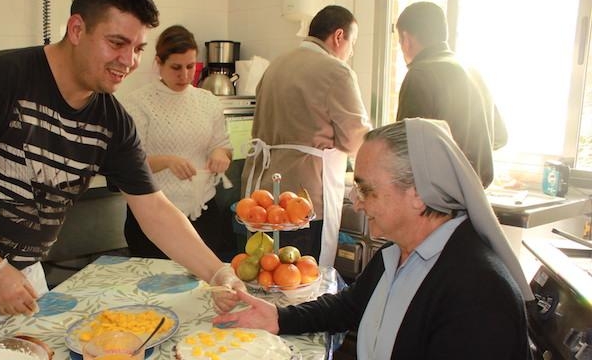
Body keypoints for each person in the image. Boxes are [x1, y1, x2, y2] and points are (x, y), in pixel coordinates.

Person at [0, 0, 245, 349]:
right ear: (76, 29)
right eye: (117, 43)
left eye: (137, 48)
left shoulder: (111, 119)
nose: (128, 60)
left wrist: (217, 272)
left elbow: (154, 209)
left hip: (22, 268)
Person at [215, 118, 534, 360]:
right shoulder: (396, 254)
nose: (357, 202)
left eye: (367, 189)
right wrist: (279, 317)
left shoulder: (479, 293)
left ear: (419, 195)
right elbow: (347, 307)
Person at [241, 5, 371, 266]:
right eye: (352, 42)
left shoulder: (276, 66)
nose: (351, 52)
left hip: (264, 193)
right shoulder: (336, 72)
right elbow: (356, 140)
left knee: (268, 271)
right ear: (337, 36)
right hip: (306, 193)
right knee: (302, 278)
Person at [117, 25, 235, 260]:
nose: (184, 75)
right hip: (153, 216)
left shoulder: (207, 101)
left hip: (202, 212)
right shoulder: (139, 103)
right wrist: (166, 161)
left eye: (191, 66)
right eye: (176, 67)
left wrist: (221, 154)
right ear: (159, 63)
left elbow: (221, 144)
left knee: (205, 287)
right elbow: (127, 165)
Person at [395, 1, 507, 188]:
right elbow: (500, 137)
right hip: (476, 196)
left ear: (407, 38)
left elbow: (405, 147)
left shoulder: (420, 74)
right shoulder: (473, 72)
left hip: (438, 199)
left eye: (400, 42)